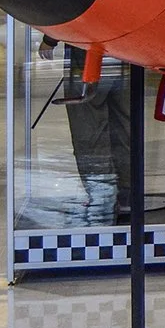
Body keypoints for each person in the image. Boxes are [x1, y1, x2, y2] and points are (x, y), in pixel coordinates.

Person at [38, 36, 131, 226]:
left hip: (87, 49)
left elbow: (69, 5)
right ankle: (127, 194)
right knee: (124, 126)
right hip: (126, 49)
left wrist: (50, 39)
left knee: (89, 130)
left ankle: (103, 198)